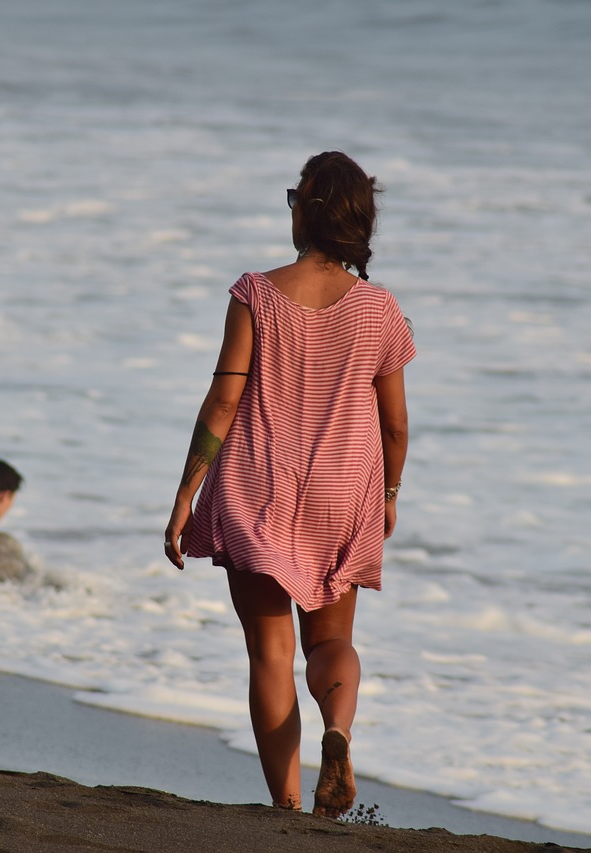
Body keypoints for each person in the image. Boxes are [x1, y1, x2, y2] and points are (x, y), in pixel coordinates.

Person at [164, 152, 415, 817]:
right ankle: (338, 727)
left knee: (270, 653)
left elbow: (222, 403)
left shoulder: (256, 292)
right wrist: (386, 497)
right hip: (342, 494)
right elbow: (395, 427)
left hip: (256, 487)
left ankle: (287, 805)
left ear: (308, 209)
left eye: (293, 195)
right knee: (330, 644)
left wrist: (184, 495)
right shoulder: (380, 310)